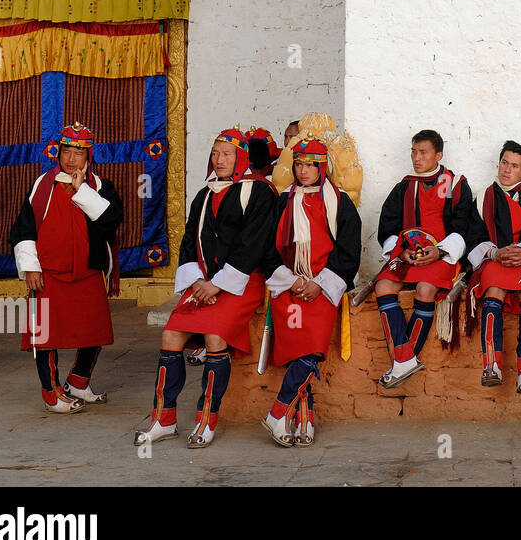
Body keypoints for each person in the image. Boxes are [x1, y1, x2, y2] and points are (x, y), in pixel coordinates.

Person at [134, 128, 278, 448]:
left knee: (214, 337)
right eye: (215, 153)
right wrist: (197, 280)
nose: (220, 159)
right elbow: (189, 243)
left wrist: (217, 283)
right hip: (202, 283)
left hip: (241, 282)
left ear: (241, 158)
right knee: (170, 334)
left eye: (227, 154)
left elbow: (252, 246)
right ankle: (164, 418)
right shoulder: (204, 194)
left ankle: (206, 418)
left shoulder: (259, 192)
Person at [9, 123, 124, 413]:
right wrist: (31, 268)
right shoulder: (41, 185)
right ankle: (51, 393)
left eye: (78, 153)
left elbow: (111, 221)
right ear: (58, 153)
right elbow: (23, 229)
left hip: (87, 271)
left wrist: (80, 190)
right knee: (45, 335)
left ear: (89, 156)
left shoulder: (99, 187)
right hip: (47, 274)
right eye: (66, 152)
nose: (71, 159)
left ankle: (79, 382)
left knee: (93, 331)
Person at [261, 137, 361, 446]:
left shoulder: (340, 203)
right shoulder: (282, 202)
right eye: (299, 165)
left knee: (312, 350)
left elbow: (349, 252)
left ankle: (278, 414)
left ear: (322, 168)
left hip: (322, 288)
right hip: (290, 285)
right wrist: (293, 281)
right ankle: (305, 416)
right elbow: (267, 250)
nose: (304, 171)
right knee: (298, 353)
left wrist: (319, 283)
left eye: (310, 165)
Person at [372, 129, 478, 388]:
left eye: (423, 152)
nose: (416, 158)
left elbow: (464, 227)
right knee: (383, 285)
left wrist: (440, 251)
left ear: (438, 155)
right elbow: (388, 225)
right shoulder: (404, 186)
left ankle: (402, 360)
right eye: (413, 152)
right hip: (408, 253)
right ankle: (405, 359)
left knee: (425, 288)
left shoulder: (456, 185)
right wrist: (401, 250)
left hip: (442, 255)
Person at [467, 140, 521, 393]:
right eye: (504, 163)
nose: (507, 170)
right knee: (493, 291)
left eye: (514, 166)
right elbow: (474, 232)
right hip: (496, 258)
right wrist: (495, 252)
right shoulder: (484, 196)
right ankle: (491, 365)